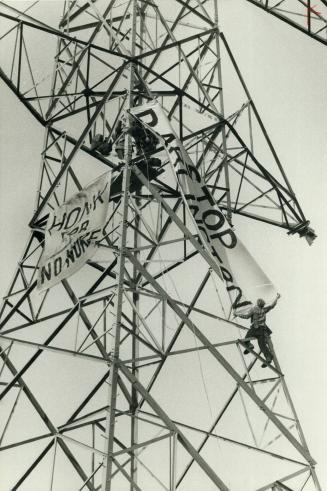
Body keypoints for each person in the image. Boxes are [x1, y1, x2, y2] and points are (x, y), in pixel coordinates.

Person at [236, 293, 281, 367]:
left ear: (257, 303)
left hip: (255, 328)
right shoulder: (263, 310)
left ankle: (249, 345)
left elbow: (246, 316)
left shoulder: (254, 309)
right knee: (262, 345)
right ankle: (268, 357)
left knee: (247, 337)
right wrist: (277, 298)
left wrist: (237, 314)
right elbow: (272, 306)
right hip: (263, 330)